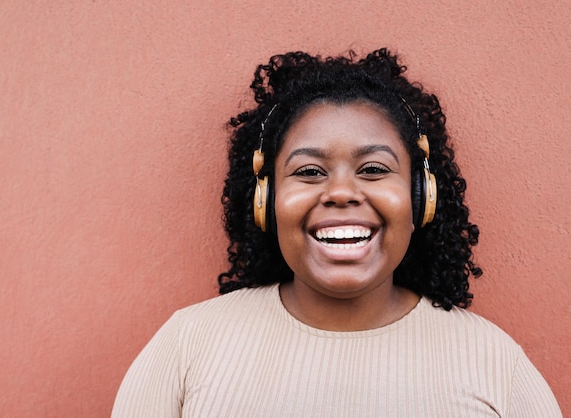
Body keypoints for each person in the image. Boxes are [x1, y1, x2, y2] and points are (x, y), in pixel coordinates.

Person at [112, 48, 562, 417]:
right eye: (308, 170)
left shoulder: (494, 363)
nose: (342, 192)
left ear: (420, 197)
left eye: (373, 169)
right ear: (264, 200)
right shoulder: (187, 345)